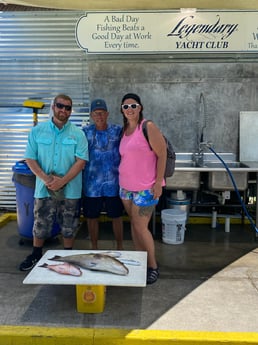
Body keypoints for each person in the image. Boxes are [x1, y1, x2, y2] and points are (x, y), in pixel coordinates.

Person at [19, 94, 88, 271]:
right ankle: (36, 254)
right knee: (40, 223)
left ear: (71, 111)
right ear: (53, 106)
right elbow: (30, 158)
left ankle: (67, 257)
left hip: (70, 189)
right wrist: (48, 179)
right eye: (60, 106)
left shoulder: (78, 134)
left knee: (69, 224)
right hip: (44, 188)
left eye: (67, 108)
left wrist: (62, 181)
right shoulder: (37, 132)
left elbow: (81, 161)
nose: (63, 110)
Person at [119, 93, 167, 284]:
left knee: (141, 226)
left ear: (140, 108)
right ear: (122, 111)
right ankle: (141, 262)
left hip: (146, 190)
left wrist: (158, 183)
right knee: (134, 224)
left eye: (133, 105)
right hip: (126, 189)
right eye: (125, 107)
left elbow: (162, 154)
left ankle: (153, 266)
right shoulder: (124, 131)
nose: (129, 109)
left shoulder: (148, 127)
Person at [82, 98, 124, 250]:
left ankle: (120, 247)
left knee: (116, 216)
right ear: (92, 115)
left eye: (102, 113)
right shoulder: (84, 133)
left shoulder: (117, 131)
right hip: (92, 185)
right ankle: (94, 247)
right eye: (96, 113)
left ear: (107, 114)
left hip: (114, 183)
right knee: (92, 217)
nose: (99, 116)